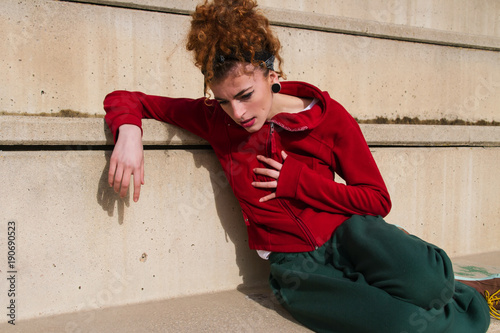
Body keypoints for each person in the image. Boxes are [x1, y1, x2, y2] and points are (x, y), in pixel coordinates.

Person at [103, 0, 497, 331]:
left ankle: (453, 281)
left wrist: (299, 182)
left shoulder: (328, 118)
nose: (237, 113)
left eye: (244, 94)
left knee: (429, 284)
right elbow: (127, 98)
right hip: (296, 266)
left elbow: (377, 200)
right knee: (400, 325)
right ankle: (472, 304)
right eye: (223, 100)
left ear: (272, 77)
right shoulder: (215, 119)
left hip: (352, 231)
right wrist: (129, 134)